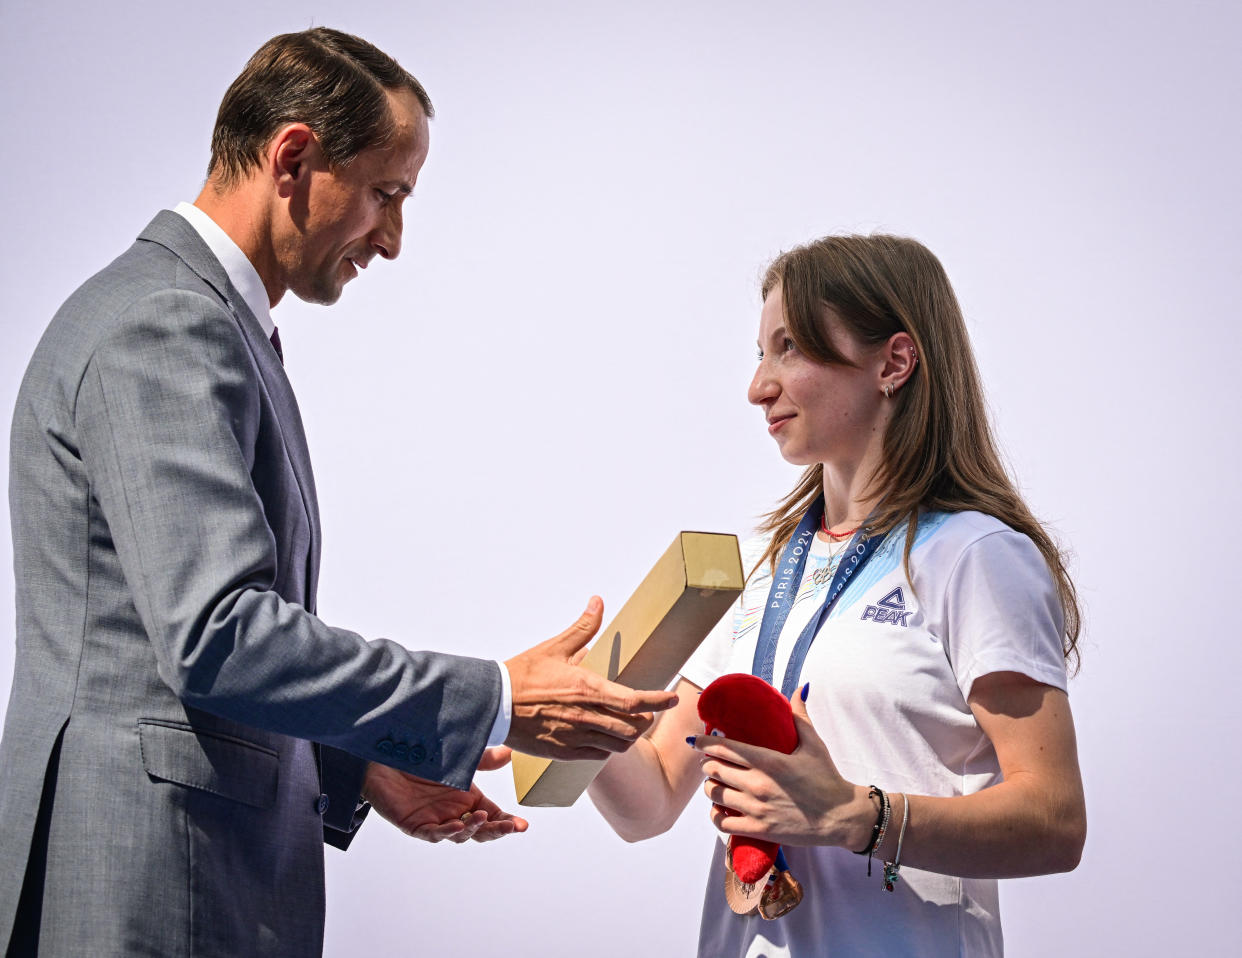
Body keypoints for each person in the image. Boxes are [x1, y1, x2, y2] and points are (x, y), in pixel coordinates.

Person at [0, 27, 676, 958]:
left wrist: (354, 766)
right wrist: (494, 698)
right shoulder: (165, 325)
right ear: (293, 157)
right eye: (386, 194)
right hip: (149, 890)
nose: (392, 240)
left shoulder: (202, 322)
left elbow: (167, 649)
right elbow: (216, 635)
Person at [588, 234, 1086, 956]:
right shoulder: (762, 565)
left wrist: (855, 816)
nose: (759, 386)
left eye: (790, 348)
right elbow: (655, 797)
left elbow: (1055, 820)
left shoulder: (975, 556)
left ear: (893, 362)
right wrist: (583, 722)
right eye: (760, 353)